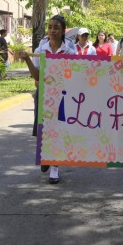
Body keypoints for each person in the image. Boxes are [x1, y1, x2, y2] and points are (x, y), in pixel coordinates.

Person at [21, 15, 76, 184]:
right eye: (50, 27)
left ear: (62, 31)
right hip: (43, 95)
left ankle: (55, 168)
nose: (52, 30)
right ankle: (46, 157)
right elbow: (36, 75)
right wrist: (27, 60)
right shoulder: (41, 50)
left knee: (58, 131)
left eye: (56, 28)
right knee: (43, 130)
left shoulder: (70, 52)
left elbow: (74, 75)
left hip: (62, 97)